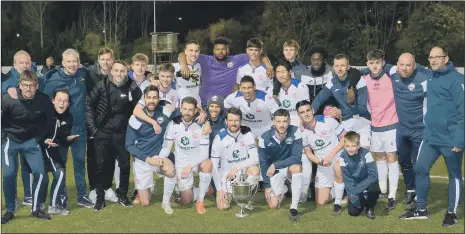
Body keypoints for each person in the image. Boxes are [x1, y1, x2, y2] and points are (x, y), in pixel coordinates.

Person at [400, 47, 464, 227]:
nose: (434, 60)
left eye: (438, 57)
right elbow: (411, 65)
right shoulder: (430, 75)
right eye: (431, 57)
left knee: (454, 175)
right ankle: (421, 209)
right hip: (430, 137)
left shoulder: (458, 81)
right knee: (420, 168)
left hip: (451, 139)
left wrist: (459, 139)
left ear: (446, 58)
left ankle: (451, 212)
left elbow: (463, 114)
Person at [85, 60, 142, 211]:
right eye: (116, 70)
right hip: (102, 133)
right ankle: (100, 199)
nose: (119, 74)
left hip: (123, 133)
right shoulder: (101, 85)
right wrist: (93, 129)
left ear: (126, 71)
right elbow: (89, 105)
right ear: (111, 71)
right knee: (101, 166)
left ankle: (122, 195)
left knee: (124, 165)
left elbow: (141, 107)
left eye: (122, 71)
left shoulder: (132, 87)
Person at [41, 48, 94, 208]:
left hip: (79, 129)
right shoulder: (52, 80)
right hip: (61, 130)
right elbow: (45, 103)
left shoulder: (83, 74)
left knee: (79, 163)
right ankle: (60, 197)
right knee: (60, 165)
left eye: (75, 61)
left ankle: (81, 195)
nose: (72, 64)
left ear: (79, 62)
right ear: (62, 63)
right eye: (69, 61)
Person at [1, 70, 55, 223]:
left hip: (31, 142)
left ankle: (36, 208)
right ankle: (10, 210)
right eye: (25, 85)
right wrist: (3, 139)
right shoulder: (8, 99)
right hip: (10, 141)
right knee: (9, 174)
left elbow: (49, 122)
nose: (28, 89)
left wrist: (38, 139)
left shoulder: (43, 100)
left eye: (32, 86)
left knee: (41, 174)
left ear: (37, 86)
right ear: (20, 85)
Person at [178, 37, 273, 108]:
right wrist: (184, 65)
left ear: (227, 50)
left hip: (225, 105)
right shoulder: (206, 60)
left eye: (223, 49)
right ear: (213, 50)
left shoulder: (235, 61)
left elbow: (259, 55)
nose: (220, 52)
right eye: (217, 49)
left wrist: (268, 66)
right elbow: (182, 54)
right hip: (204, 105)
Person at [125, 85, 177, 214]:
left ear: (159, 99)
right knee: (145, 203)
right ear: (144, 99)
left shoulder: (165, 111)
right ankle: (149, 184)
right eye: (149, 97)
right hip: (143, 160)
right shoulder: (135, 119)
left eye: (155, 97)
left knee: (170, 171)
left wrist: (204, 117)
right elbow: (129, 145)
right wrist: (148, 159)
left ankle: (166, 201)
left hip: (159, 157)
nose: (152, 100)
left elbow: (188, 111)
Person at [158, 97, 213, 214]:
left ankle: (201, 200)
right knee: (187, 200)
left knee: (208, 165)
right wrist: (159, 160)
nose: (187, 112)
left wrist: (191, 166)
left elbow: (204, 154)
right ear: (180, 109)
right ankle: (168, 200)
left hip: (198, 161)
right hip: (181, 162)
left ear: (195, 111)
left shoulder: (202, 125)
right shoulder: (173, 123)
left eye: (190, 110)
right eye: (185, 109)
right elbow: (166, 148)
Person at [362, 49, 399, 211]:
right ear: (367, 64)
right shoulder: (363, 79)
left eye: (377, 62)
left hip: (392, 124)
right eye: (371, 63)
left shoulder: (391, 75)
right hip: (375, 125)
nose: (374, 66)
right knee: (379, 157)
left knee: (391, 157)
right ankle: (383, 190)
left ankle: (392, 195)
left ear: (383, 62)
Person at [297, 100, 347, 215]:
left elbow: (345, 138)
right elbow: (308, 153)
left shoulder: (327, 120)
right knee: (320, 202)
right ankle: (340, 187)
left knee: (338, 167)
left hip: (338, 157)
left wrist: (331, 155)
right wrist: (319, 162)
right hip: (323, 164)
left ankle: (344, 195)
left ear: (312, 110)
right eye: (302, 112)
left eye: (308, 110)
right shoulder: (302, 132)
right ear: (299, 115)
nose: (306, 114)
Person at [312, 54, 371, 149]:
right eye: (337, 66)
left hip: (362, 121)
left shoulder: (358, 81)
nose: (339, 69)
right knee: (344, 153)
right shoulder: (332, 82)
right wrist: (310, 114)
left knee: (364, 154)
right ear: (333, 67)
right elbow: (319, 99)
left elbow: (362, 108)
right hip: (346, 122)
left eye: (342, 66)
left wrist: (340, 111)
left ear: (348, 67)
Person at [391, 53, 428, 205]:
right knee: (404, 161)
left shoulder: (424, 79)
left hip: (419, 129)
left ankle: (420, 194)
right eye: (402, 65)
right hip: (401, 129)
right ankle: (410, 190)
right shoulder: (392, 74)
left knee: (418, 163)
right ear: (397, 64)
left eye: (408, 65)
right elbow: (373, 69)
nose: (404, 68)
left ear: (414, 65)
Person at [1, 50, 36, 208]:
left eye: (27, 62)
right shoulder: (8, 80)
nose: (25, 65)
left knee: (27, 166)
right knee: (11, 170)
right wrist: (7, 88)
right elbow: (4, 85)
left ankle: (28, 196)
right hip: (10, 134)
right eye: (21, 62)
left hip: (29, 131)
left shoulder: (34, 76)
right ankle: (12, 199)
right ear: (14, 64)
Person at [211, 108, 260, 211]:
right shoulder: (219, 139)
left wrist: (237, 167)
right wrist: (219, 190)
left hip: (242, 174)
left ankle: (245, 197)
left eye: (236, 120)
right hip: (226, 177)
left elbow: (255, 158)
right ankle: (234, 195)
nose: (234, 123)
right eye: (231, 120)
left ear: (241, 121)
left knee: (254, 170)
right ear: (226, 121)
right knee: (223, 206)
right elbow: (214, 167)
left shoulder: (247, 134)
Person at [258, 109, 304, 221]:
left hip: (289, 167)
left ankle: (294, 207)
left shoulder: (295, 131)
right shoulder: (264, 138)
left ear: (289, 121)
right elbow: (263, 164)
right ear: (273, 122)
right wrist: (267, 186)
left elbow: (297, 157)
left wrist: (275, 164)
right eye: (278, 121)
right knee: (273, 206)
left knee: (297, 168)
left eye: (285, 121)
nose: (282, 125)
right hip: (274, 171)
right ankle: (284, 189)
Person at [86, 47, 119, 204]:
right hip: (94, 124)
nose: (106, 62)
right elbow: (88, 103)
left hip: (110, 125)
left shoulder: (117, 75)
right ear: (98, 60)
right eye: (103, 59)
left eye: (109, 59)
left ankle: (107, 187)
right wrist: (92, 126)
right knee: (94, 157)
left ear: (113, 60)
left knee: (109, 157)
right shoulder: (89, 74)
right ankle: (94, 188)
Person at [40, 89, 78, 216]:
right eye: (59, 100)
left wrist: (68, 139)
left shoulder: (69, 117)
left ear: (69, 103)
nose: (62, 103)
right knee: (42, 178)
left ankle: (53, 205)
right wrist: (43, 140)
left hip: (53, 149)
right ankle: (38, 203)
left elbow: (62, 139)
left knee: (60, 173)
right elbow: (35, 131)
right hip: (38, 149)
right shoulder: (46, 113)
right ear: (53, 101)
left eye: (65, 101)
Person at [339, 131, 380, 219]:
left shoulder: (366, 153)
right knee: (353, 212)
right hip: (354, 185)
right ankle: (362, 199)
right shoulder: (342, 157)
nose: (350, 149)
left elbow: (373, 175)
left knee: (373, 187)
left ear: (358, 145)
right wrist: (353, 193)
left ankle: (370, 207)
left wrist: (357, 189)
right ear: (344, 145)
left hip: (367, 182)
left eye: (353, 146)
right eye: (347, 146)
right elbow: (347, 180)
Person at [268, 59, 310, 126]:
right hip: (280, 122)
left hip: (298, 121)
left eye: (283, 72)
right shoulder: (271, 91)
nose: (280, 75)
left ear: (289, 72)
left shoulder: (300, 87)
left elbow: (305, 109)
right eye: (278, 72)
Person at [173, 40, 202, 105]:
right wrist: (150, 76)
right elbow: (163, 72)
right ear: (185, 51)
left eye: (196, 51)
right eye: (191, 50)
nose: (194, 54)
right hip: (181, 106)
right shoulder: (177, 67)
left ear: (199, 52)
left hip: (196, 105)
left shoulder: (199, 66)